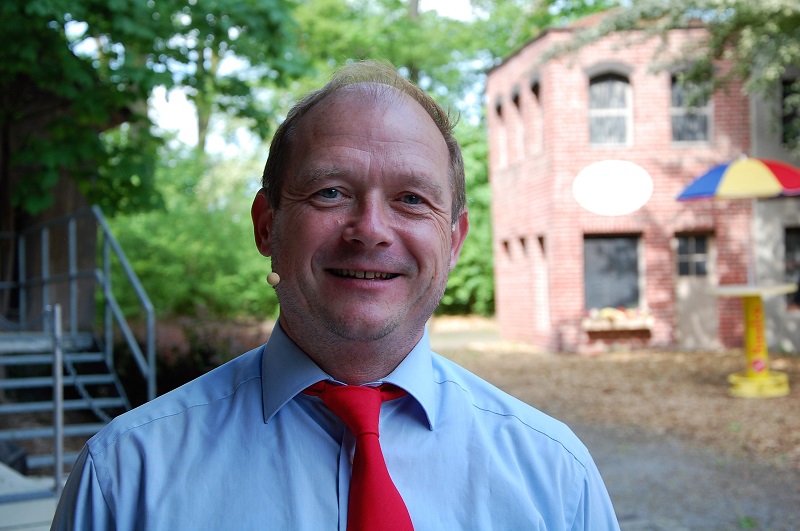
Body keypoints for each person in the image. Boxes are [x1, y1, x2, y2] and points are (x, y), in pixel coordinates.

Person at [51, 60, 620, 530]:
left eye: (412, 199)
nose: (370, 229)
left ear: (453, 241)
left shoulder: (556, 478)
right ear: (267, 225)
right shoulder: (125, 479)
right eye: (330, 192)